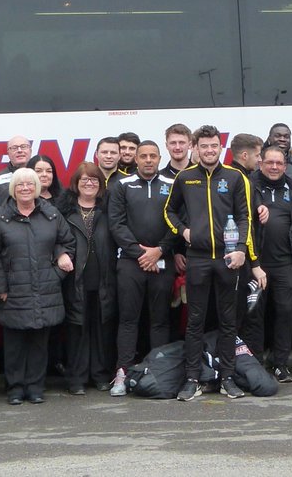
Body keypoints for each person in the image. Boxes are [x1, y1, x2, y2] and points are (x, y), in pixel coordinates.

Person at [164, 125, 264, 401]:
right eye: (204, 146)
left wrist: (243, 250)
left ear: (221, 148)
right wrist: (183, 231)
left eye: (214, 146)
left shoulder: (235, 177)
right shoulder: (185, 178)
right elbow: (169, 211)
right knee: (194, 321)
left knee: (228, 321)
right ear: (195, 148)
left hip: (228, 259)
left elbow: (246, 217)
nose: (209, 151)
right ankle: (192, 378)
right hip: (197, 259)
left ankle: (228, 378)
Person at [0, 168, 76, 405]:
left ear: (36, 187)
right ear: (12, 189)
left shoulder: (51, 214)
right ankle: (15, 388)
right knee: (14, 345)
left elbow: (67, 243)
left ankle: (35, 387)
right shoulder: (0, 217)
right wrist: (0, 287)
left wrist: (56, 273)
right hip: (12, 290)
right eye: (20, 184)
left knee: (39, 344)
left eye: (29, 184)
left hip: (45, 289)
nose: (25, 188)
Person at [107, 141, 177, 396]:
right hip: (130, 262)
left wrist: (160, 250)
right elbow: (116, 224)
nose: (148, 160)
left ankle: (158, 371)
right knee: (128, 319)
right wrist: (141, 254)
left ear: (160, 158)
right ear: (135, 159)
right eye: (143, 156)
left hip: (162, 260)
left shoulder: (172, 184)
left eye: (153, 156)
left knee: (160, 320)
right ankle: (122, 373)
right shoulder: (121, 185)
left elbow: (178, 222)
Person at [244, 145, 292, 383]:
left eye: (278, 163)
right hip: (256, 263)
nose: (273, 167)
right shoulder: (250, 187)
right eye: (269, 162)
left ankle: (280, 364)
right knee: (254, 314)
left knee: (284, 312)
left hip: (285, 264)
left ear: (285, 165)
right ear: (261, 163)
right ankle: (255, 362)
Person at [60, 163, 118, 395]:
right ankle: (76, 378)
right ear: (75, 183)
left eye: (94, 179)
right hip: (75, 279)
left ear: (101, 184)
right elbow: (55, 241)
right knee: (77, 329)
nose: (89, 183)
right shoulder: (64, 211)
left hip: (105, 277)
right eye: (84, 179)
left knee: (102, 329)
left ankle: (101, 375)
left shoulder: (109, 210)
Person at [0, 135, 33, 204]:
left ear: (30, 150)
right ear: (8, 153)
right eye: (14, 148)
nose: (19, 151)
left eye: (23, 147)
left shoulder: (40, 175)